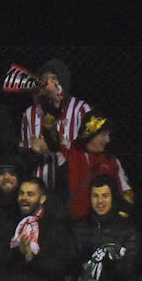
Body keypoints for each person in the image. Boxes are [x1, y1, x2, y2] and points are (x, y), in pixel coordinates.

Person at [18, 58, 91, 191]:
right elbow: (22, 161)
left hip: (73, 187)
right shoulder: (30, 114)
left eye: (54, 78)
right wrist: (32, 152)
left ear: (63, 81)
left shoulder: (81, 110)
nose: (49, 84)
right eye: (45, 79)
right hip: (40, 189)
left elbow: (90, 154)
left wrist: (59, 144)